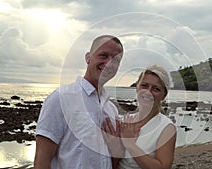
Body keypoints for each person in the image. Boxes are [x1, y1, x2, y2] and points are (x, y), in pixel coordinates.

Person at [34, 35, 124, 169]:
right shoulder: (61, 99)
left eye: (115, 60)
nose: (109, 64)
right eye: (103, 55)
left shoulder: (111, 109)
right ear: (88, 57)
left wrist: (117, 150)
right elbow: (42, 159)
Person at [102, 65, 177, 169]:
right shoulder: (125, 121)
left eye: (156, 89)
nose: (148, 92)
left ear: (164, 95)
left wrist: (130, 144)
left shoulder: (166, 128)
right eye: (144, 86)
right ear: (137, 87)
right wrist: (116, 152)